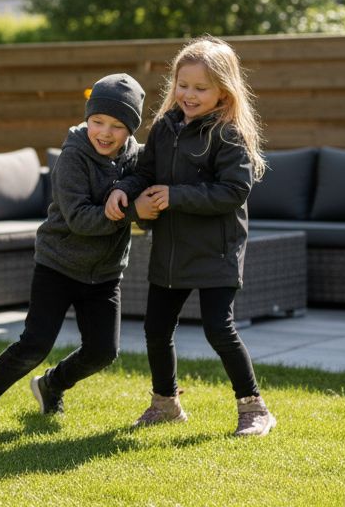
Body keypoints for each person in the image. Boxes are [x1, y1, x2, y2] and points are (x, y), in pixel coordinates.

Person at [0, 73, 159, 425]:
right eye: (97, 121)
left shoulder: (135, 157)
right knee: (35, 345)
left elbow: (144, 181)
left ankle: (51, 385)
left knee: (102, 352)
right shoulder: (73, 156)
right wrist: (133, 211)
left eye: (117, 126)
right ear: (87, 117)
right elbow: (79, 219)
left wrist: (134, 196)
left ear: (131, 130)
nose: (105, 132)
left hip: (105, 273)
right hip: (57, 266)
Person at [104, 36, 275, 437]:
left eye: (201, 88)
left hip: (216, 250)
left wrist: (175, 196)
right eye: (183, 85)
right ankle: (165, 404)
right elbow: (145, 173)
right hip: (170, 248)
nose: (189, 94)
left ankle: (254, 408)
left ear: (223, 92)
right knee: (156, 329)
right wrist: (123, 190)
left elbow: (234, 191)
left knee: (218, 328)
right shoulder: (165, 128)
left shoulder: (228, 134)